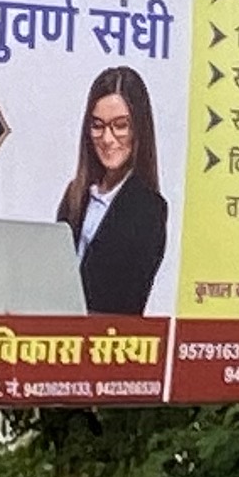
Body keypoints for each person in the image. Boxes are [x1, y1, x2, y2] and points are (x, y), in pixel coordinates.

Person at [56, 65, 167, 315]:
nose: (107, 139)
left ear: (139, 129)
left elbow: (126, 300)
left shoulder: (149, 209)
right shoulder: (75, 196)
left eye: (120, 125)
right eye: (97, 125)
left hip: (108, 342)